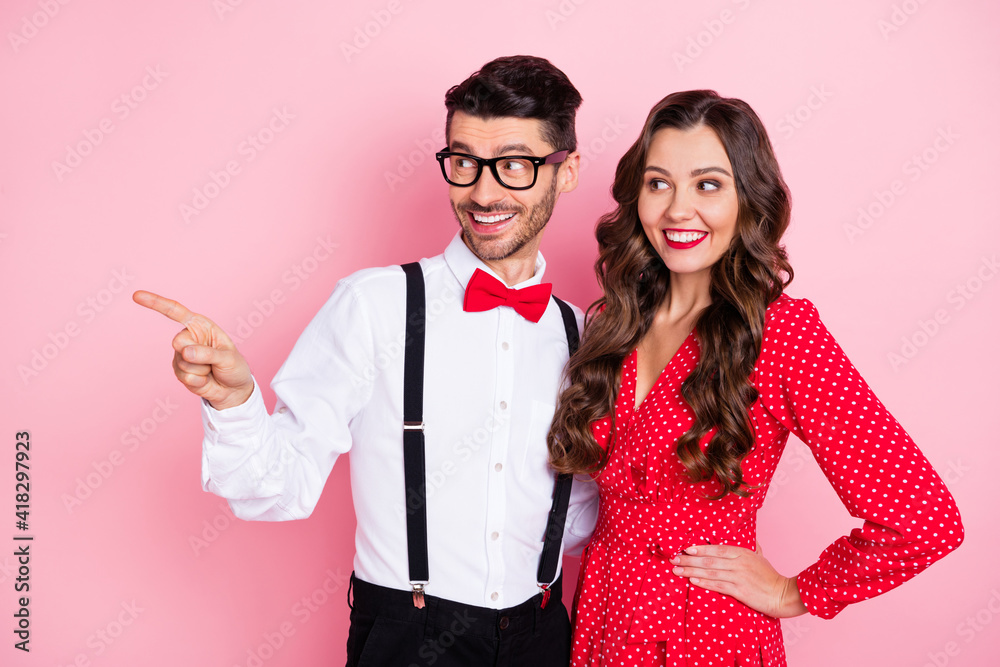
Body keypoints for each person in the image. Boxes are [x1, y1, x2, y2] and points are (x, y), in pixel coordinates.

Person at [134, 55, 599, 666]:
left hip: (544, 635)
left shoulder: (583, 333)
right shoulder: (374, 305)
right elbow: (279, 488)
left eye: (514, 165)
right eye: (464, 163)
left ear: (566, 173)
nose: (483, 193)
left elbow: (583, 516)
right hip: (409, 639)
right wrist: (234, 402)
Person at [547, 90, 964, 666]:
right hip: (603, 621)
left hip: (705, 636)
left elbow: (925, 518)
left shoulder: (780, 332)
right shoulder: (614, 322)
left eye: (708, 184)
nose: (677, 210)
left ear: (748, 200)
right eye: (659, 182)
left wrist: (793, 592)